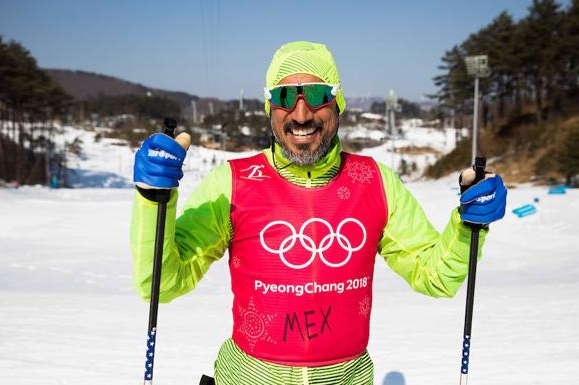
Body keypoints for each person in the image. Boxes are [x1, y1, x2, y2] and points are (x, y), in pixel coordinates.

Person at [131, 41, 507, 385]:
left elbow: (436, 276)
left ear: (336, 102)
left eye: (315, 95)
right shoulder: (233, 182)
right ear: (270, 108)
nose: (300, 113)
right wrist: (153, 200)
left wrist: (468, 225)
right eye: (283, 97)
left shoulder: (374, 181)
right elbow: (162, 283)